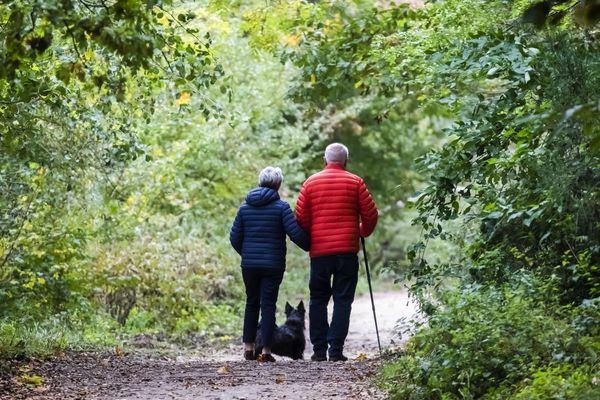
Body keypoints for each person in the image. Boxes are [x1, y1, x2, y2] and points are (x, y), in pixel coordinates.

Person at [295, 143, 378, 362]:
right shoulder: (355, 182)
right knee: (342, 300)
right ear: (346, 161)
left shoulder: (310, 183)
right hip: (346, 252)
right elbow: (371, 215)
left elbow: (300, 218)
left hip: (320, 252)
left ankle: (319, 350)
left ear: (325, 160)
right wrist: (362, 232)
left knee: (318, 300)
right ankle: (336, 350)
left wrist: (313, 237)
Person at [230, 166, 310, 362]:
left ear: (259, 182)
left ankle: (248, 349)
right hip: (273, 265)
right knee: (268, 305)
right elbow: (295, 234)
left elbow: (234, 237)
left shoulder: (244, 208)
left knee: (251, 303)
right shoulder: (281, 207)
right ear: (278, 184)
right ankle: (266, 351)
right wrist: (311, 245)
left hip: (249, 265)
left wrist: (247, 254)